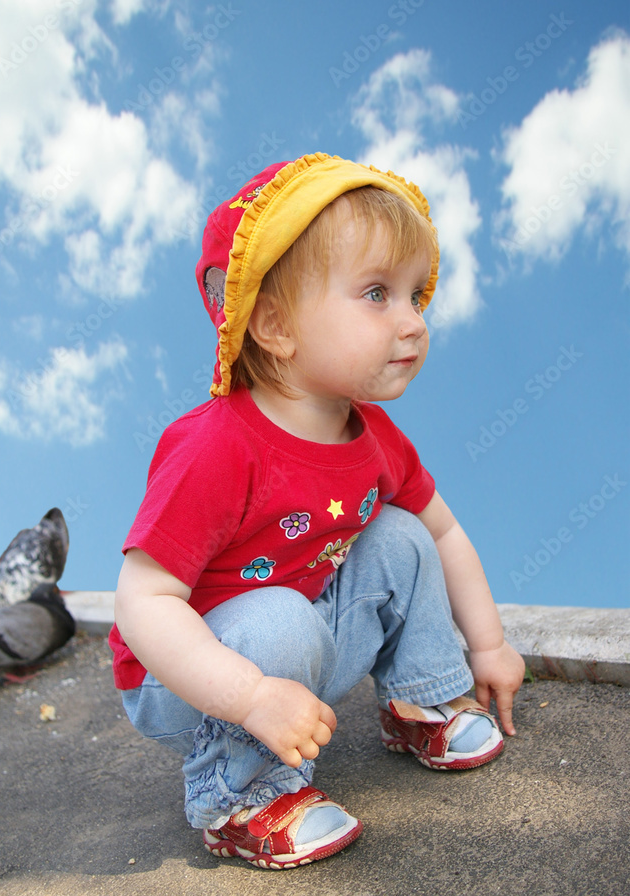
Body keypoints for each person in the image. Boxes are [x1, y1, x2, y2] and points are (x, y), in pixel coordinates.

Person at [110, 152, 525, 870]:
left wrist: (487, 646)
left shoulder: (374, 437)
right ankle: (240, 799)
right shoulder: (215, 447)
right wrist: (248, 695)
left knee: (402, 534)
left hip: (300, 640)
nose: (412, 322)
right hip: (185, 674)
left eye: (414, 296)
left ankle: (421, 700)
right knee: (278, 620)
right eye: (377, 293)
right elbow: (141, 603)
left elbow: (446, 532)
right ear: (274, 324)